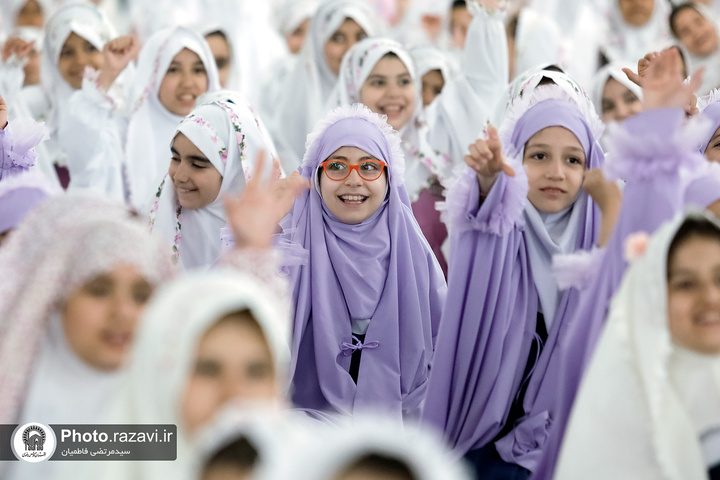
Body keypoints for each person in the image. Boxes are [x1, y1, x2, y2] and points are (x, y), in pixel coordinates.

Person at [422, 77, 614, 478]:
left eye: (574, 160)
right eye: (539, 156)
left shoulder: (599, 231)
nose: (556, 173)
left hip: (566, 434)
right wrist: (490, 184)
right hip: (482, 429)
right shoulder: (503, 226)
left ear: (593, 167)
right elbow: (484, 225)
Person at [279, 103, 446, 420]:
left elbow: (443, 349)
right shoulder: (289, 253)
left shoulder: (413, 254)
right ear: (316, 176)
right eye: (337, 166)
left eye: (369, 167)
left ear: (388, 179)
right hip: (303, 425)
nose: (353, 180)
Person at [0, 194, 172, 480]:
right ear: (56, 298)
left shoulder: (175, 406)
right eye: (99, 290)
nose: (123, 313)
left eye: (142, 296)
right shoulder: (11, 403)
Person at [555, 212, 720, 479]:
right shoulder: (624, 412)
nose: (711, 297)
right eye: (686, 284)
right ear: (652, 297)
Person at [59, 26, 220, 207]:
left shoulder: (222, 136)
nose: (188, 82)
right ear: (152, 77)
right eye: (173, 69)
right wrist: (108, 73)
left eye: (198, 70)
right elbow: (85, 162)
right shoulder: (125, 135)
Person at [148, 97, 280, 270]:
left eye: (197, 165)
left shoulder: (269, 236)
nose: (179, 176)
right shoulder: (156, 223)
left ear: (233, 172)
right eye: (175, 158)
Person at [267, 0, 378, 172]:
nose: (352, 48)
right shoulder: (294, 103)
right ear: (318, 44)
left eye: (361, 37)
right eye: (338, 38)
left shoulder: (389, 100)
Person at [670, 2, 720, 95]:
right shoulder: (689, 91)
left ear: (710, 20)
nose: (696, 33)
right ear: (680, 42)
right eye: (686, 31)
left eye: (698, 22)